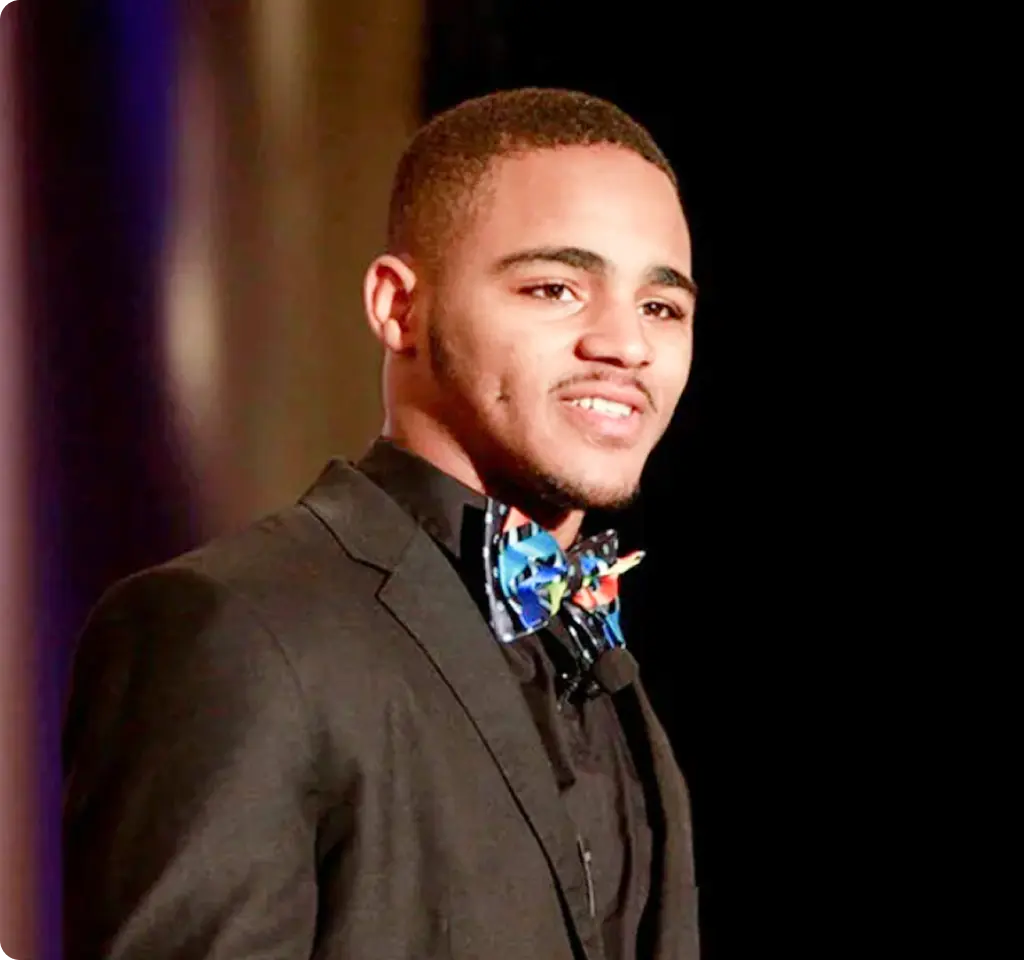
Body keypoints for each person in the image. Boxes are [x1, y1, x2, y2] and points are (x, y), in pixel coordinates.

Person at [62, 87, 700, 960]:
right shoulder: (233, 628)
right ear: (398, 307)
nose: (627, 345)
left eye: (662, 308)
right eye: (555, 288)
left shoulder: (604, 667)